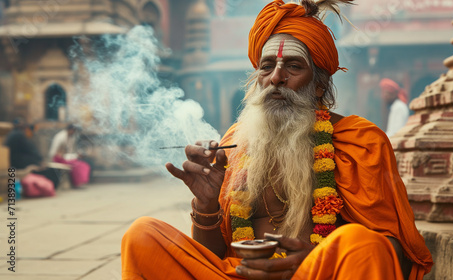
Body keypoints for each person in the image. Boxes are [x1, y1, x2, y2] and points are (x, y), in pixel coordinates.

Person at [121, 1, 433, 279]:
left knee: (361, 243)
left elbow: (392, 252)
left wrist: (314, 260)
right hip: (240, 273)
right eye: (267, 66)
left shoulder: (360, 141)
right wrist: (206, 205)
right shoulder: (235, 143)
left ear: (320, 85)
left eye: (293, 66)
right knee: (141, 235)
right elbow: (215, 256)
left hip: (315, 273)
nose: (276, 77)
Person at [3, 119, 60, 188]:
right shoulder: (19, 135)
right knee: (47, 170)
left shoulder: (13, 134)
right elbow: (31, 149)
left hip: (14, 160)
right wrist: (40, 160)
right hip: (16, 162)